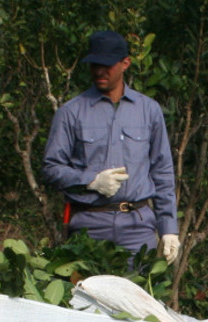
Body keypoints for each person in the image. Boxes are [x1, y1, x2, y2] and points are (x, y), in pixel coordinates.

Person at [43, 30, 181, 264]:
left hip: (138, 228)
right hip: (89, 227)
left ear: (125, 63)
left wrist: (168, 228)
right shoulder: (71, 112)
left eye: (106, 65)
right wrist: (90, 181)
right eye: (94, 65)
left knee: (141, 297)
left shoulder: (149, 111)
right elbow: (51, 168)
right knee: (85, 299)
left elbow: (162, 172)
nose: (99, 72)